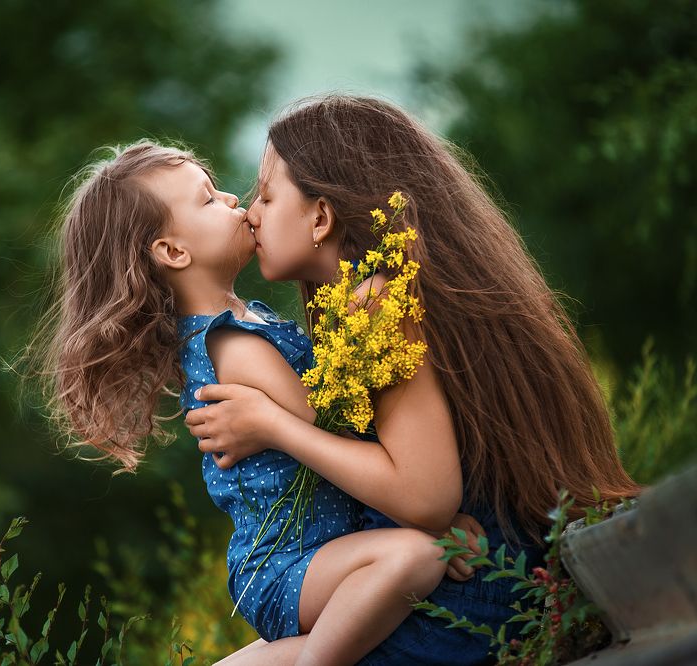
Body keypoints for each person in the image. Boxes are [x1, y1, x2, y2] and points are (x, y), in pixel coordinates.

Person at [185, 95, 641, 664]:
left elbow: (424, 497)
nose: (251, 212)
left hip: (474, 598)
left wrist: (272, 424)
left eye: (268, 195)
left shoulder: (378, 305)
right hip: (464, 581)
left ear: (322, 217)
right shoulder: (370, 304)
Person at [32, 139, 456, 665]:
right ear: (172, 252)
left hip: (319, 557)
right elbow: (344, 434)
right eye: (208, 199)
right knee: (420, 554)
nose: (235, 201)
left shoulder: (244, 324)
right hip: (292, 566)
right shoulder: (235, 346)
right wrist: (436, 514)